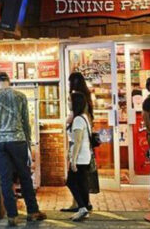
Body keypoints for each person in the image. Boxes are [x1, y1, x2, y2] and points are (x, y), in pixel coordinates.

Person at [0, 72, 46, 226]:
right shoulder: (20, 96)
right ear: (9, 82)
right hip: (18, 140)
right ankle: (32, 212)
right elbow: (26, 123)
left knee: (5, 179)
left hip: (0, 141)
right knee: (24, 176)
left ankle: (12, 216)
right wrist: (28, 143)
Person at [61, 72, 97, 212]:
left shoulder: (77, 98)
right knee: (82, 178)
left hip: (78, 142)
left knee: (75, 178)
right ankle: (83, 203)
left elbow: (71, 120)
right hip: (85, 142)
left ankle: (79, 204)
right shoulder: (86, 97)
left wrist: (72, 158)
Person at [65, 91, 93, 222]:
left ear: (75, 103)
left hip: (80, 157)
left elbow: (78, 141)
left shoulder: (77, 120)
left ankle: (82, 208)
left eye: (70, 100)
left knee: (70, 182)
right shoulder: (84, 117)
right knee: (81, 184)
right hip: (85, 156)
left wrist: (73, 160)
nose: (68, 103)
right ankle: (84, 208)